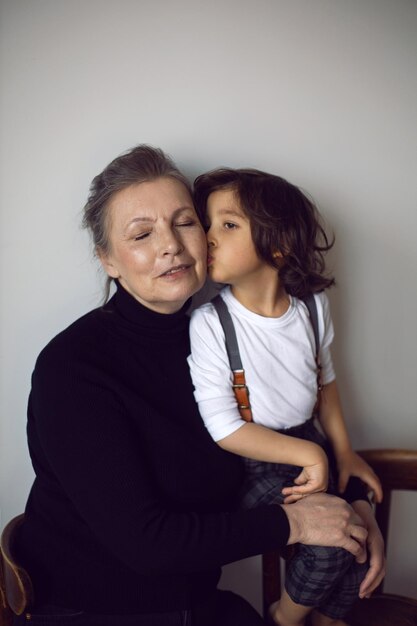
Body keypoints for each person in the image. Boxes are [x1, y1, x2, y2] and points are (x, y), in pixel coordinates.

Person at [13, 146, 383, 626]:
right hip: (96, 607)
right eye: (142, 234)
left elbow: (294, 430)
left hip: (198, 601)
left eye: (185, 222)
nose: (170, 244)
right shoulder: (73, 369)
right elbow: (146, 543)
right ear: (107, 260)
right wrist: (296, 524)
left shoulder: (221, 339)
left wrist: (353, 506)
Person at [189, 168, 385, 626]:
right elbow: (224, 428)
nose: (207, 236)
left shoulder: (312, 308)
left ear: (278, 245)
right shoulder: (212, 324)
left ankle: (329, 619)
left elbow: (326, 381)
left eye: (228, 224)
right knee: (331, 547)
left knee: (361, 536)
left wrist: (343, 452)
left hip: (311, 440)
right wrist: (311, 455)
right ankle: (283, 618)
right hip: (255, 456)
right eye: (208, 223)